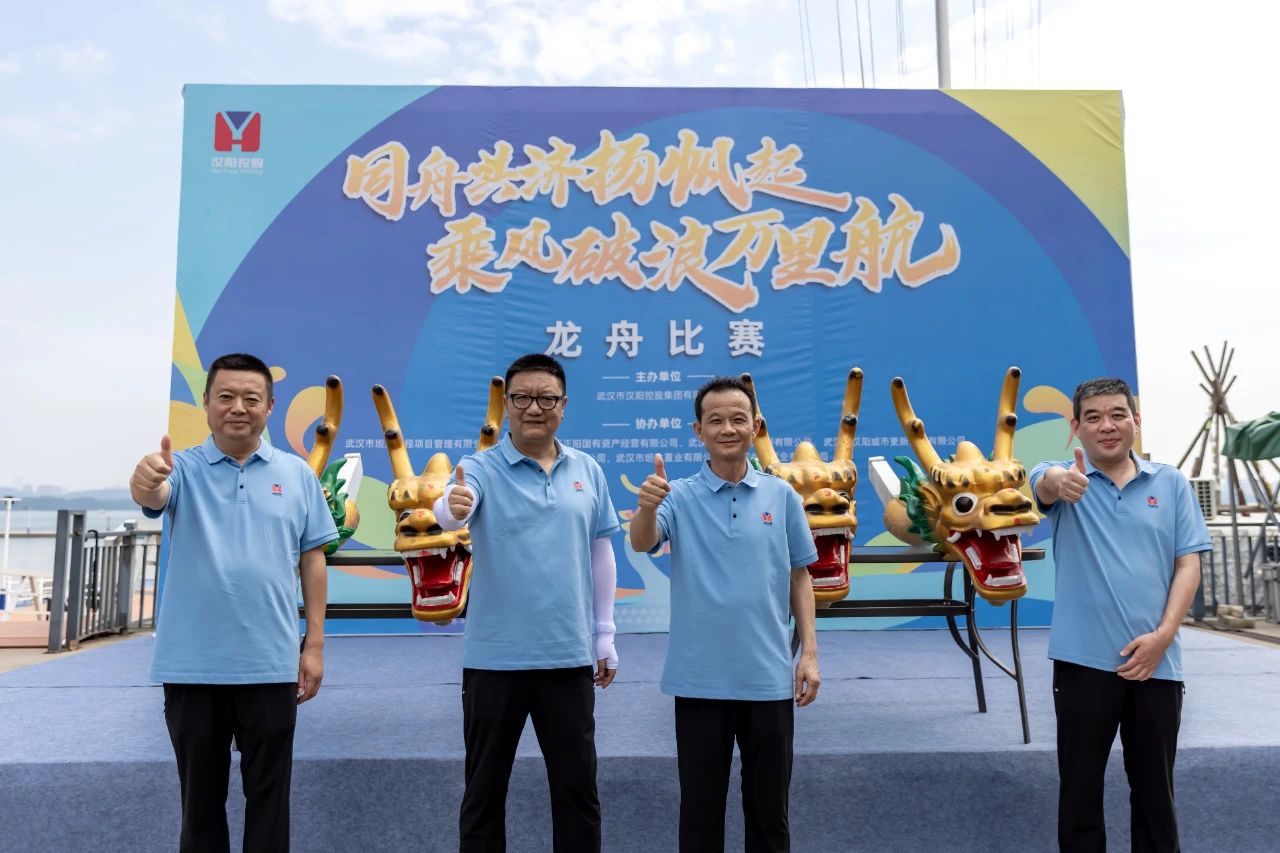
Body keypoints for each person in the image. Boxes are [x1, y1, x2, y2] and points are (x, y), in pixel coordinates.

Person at [130, 352, 337, 852]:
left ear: (270, 406)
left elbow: (313, 560)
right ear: (206, 403)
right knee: (200, 806)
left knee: (270, 802)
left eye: (251, 398)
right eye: (225, 396)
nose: (238, 407)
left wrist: (313, 646)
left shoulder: (297, 474)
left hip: (270, 664)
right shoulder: (182, 469)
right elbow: (153, 495)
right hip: (192, 667)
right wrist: (146, 481)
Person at [435, 353, 621, 853]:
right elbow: (452, 509)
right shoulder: (480, 467)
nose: (533, 408)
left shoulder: (587, 469)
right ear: (505, 404)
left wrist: (605, 635)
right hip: (495, 661)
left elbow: (601, 551)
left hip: (568, 657)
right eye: (521, 398)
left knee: (577, 793)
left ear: (564, 404)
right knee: (483, 793)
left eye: (545, 398)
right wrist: (450, 508)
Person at [628, 375, 820, 853]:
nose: (727, 428)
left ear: (756, 426)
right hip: (699, 680)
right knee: (700, 813)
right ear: (699, 431)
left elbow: (800, 576)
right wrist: (647, 508)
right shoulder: (678, 495)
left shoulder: (782, 496)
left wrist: (810, 654)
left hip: (768, 678)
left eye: (738, 419)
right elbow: (643, 541)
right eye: (715, 420)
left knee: (770, 815)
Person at [1030, 378, 1211, 853]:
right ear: (1076, 427)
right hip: (1083, 663)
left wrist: (1163, 637)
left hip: (1157, 664)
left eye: (1117, 414)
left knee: (1156, 797)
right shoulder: (1066, 480)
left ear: (1136, 419)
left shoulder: (1171, 483)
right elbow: (1043, 483)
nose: (1106, 426)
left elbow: (1188, 564)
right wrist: (1058, 482)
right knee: (1079, 796)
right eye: (1092, 417)